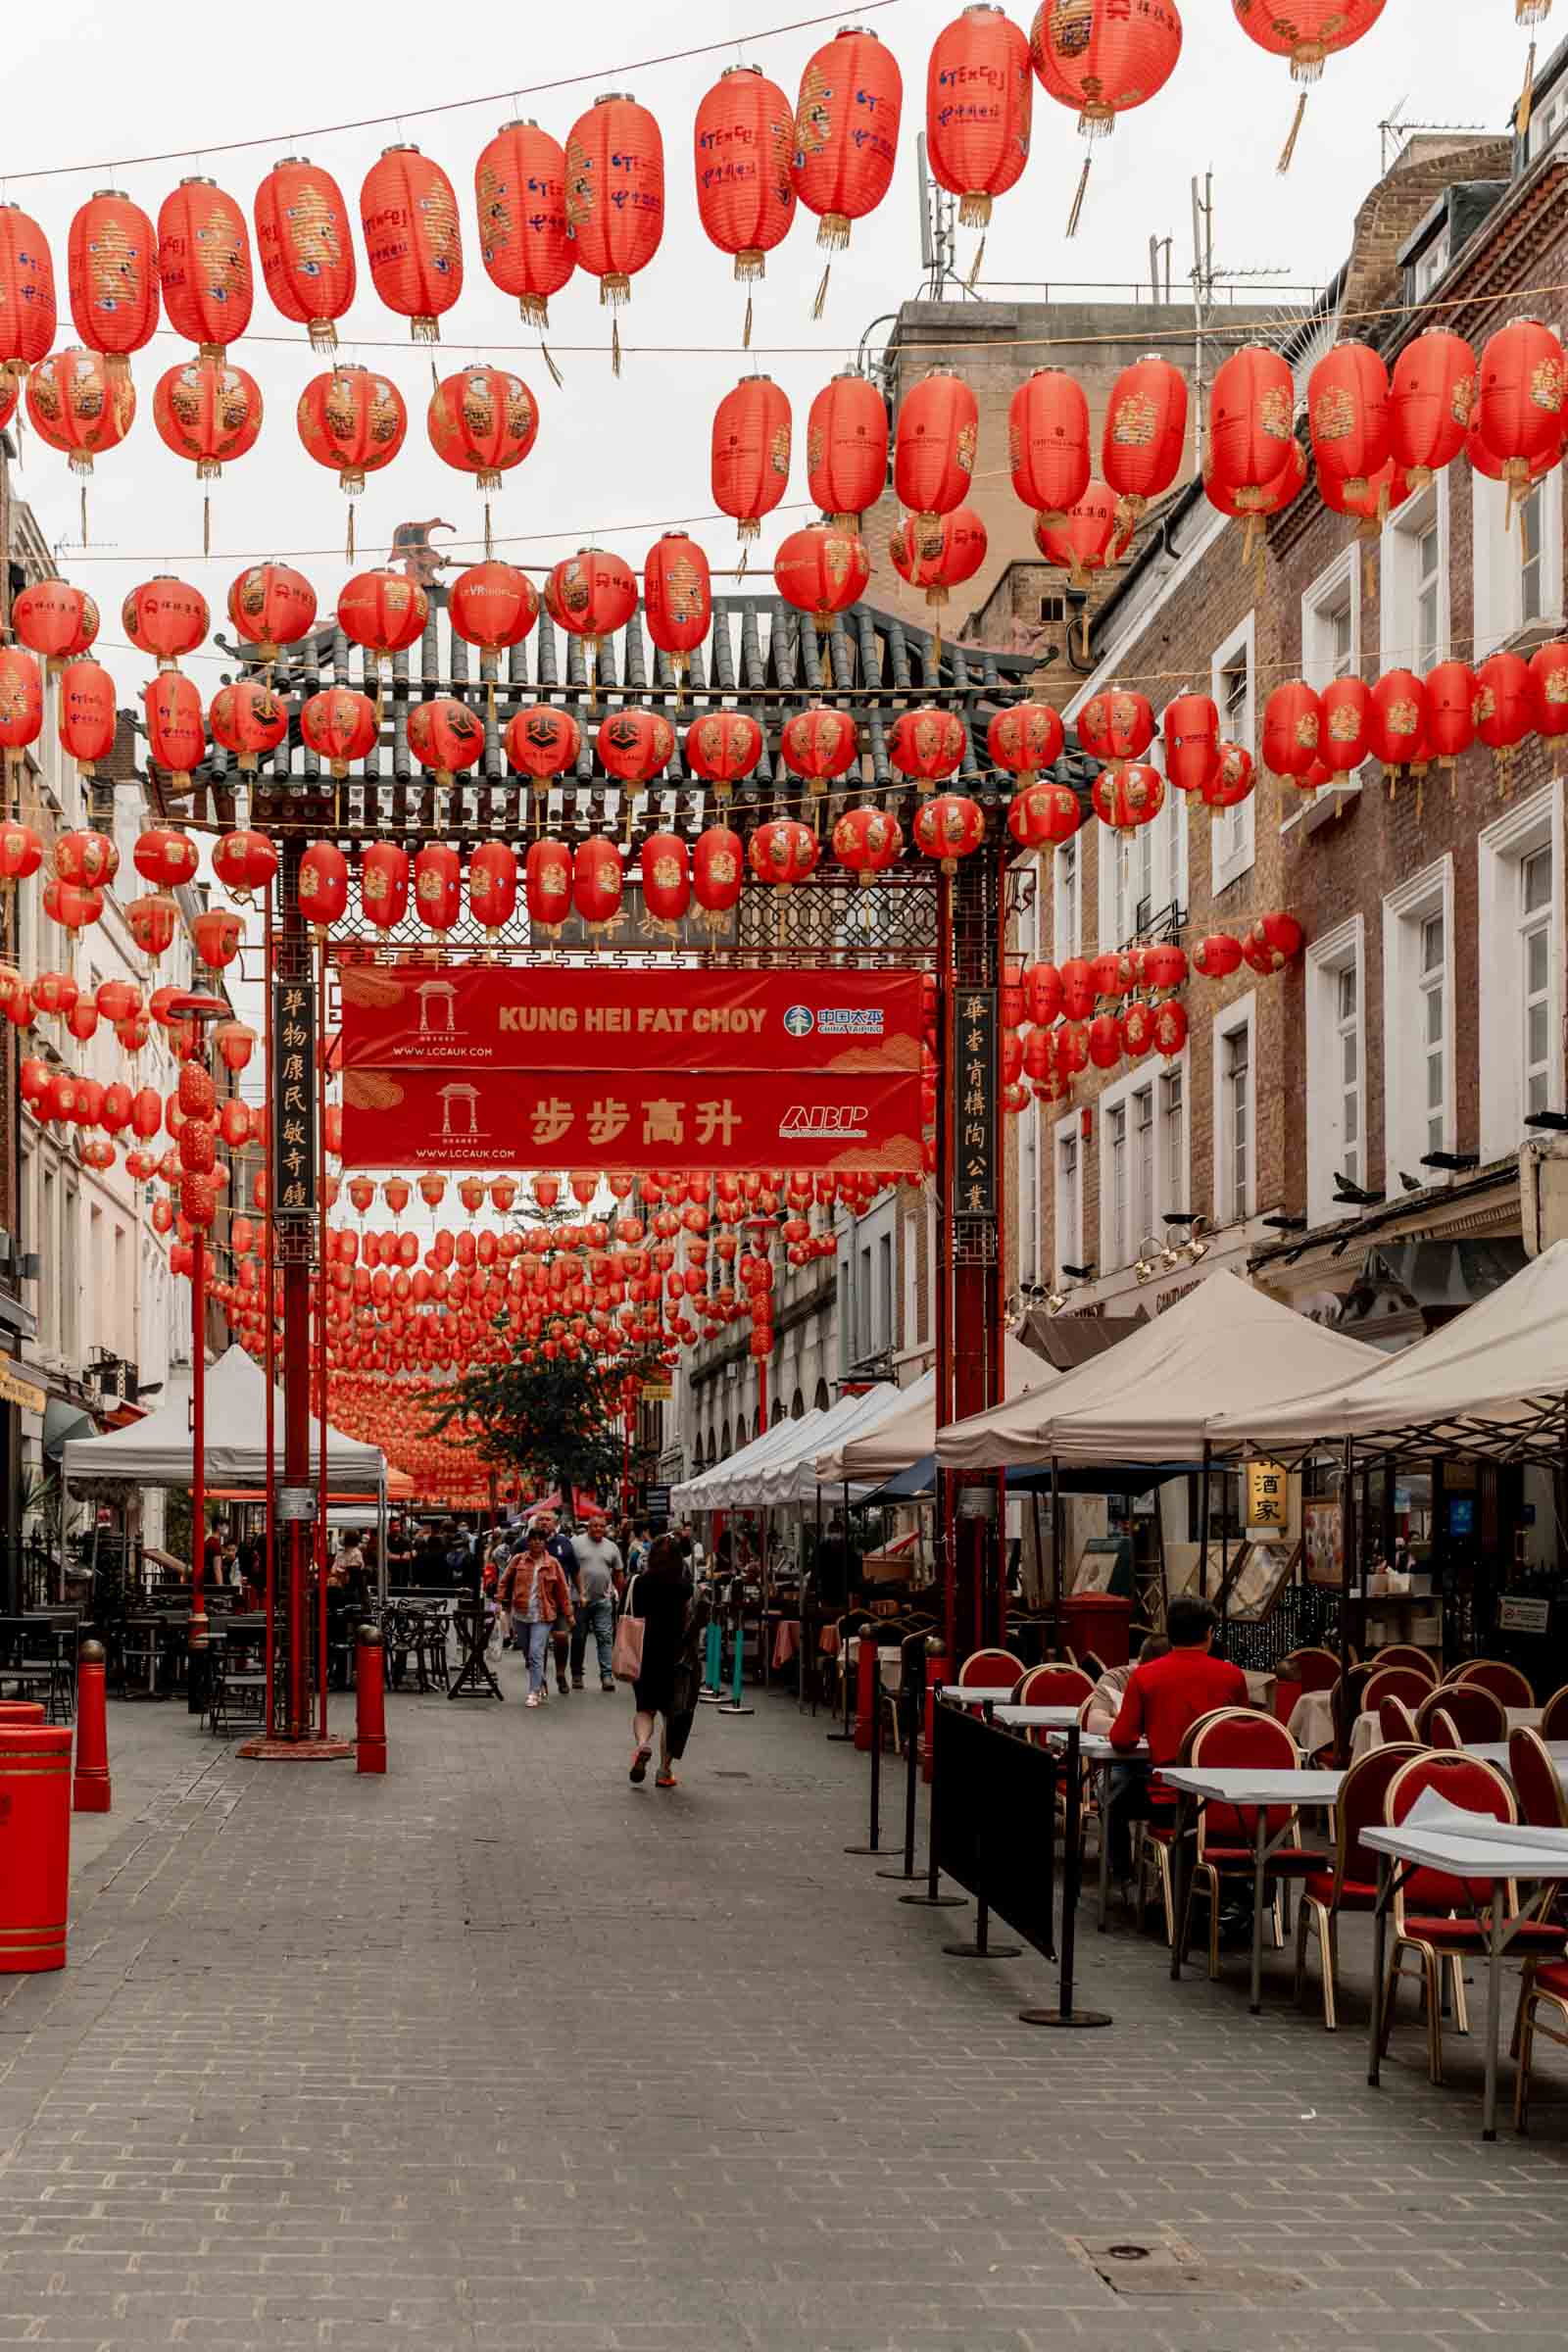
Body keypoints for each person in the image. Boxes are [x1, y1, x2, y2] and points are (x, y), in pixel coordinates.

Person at [1106, 1597, 1250, 1887]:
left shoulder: (1145, 1677)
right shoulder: (1232, 1676)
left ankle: (1122, 1877)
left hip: (1167, 1800)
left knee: (1111, 1799)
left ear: (1168, 1632)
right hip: (1223, 1801)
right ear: (1209, 1632)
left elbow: (1121, 1740)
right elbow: (1242, 1735)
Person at [627, 1535, 710, 1788]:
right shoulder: (686, 1587)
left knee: (645, 1709)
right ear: (679, 1559)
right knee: (673, 1715)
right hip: (678, 1657)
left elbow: (626, 1612)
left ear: (651, 1557)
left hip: (644, 1654)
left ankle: (642, 1745)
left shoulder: (638, 1583)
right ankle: (664, 1770)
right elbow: (698, 1621)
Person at [500, 1530, 574, 1707]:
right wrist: (497, 1606)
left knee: (535, 1652)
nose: (537, 1543)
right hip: (520, 1614)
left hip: (543, 1614)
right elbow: (504, 1582)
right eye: (533, 1540)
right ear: (528, 1542)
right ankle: (540, 1680)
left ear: (544, 1543)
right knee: (528, 1653)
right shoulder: (518, 1560)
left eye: (540, 1540)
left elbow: (563, 1591)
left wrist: (569, 1614)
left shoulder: (553, 1563)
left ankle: (533, 1692)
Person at [570, 1514, 623, 1691]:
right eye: (594, 1526)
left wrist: (621, 1594)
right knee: (578, 1638)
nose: (598, 1529)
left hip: (603, 1600)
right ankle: (577, 1674)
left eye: (601, 1526)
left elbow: (618, 1572)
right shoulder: (575, 1543)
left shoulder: (612, 1547)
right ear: (588, 1527)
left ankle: (607, 1675)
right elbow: (567, 1568)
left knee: (605, 1637)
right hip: (579, 1600)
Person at [535, 1512, 579, 1694]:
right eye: (541, 1520)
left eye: (548, 1520)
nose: (544, 1522)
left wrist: (581, 1592)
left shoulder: (565, 1543)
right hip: (535, 1601)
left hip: (560, 1600)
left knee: (561, 1637)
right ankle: (540, 1679)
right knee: (539, 1643)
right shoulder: (525, 1543)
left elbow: (575, 1570)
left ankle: (560, 1673)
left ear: (556, 1524)